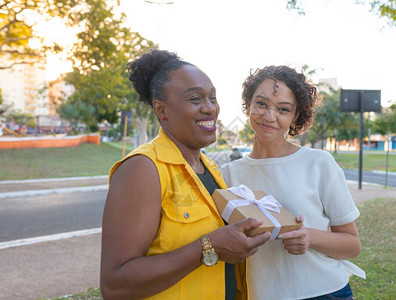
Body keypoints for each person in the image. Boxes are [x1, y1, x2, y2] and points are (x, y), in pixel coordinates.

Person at [100, 49, 270, 300]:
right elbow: (115, 285)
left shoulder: (210, 168)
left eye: (213, 98)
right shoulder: (143, 169)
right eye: (195, 99)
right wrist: (209, 247)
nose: (210, 108)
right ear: (161, 109)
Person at [220, 65, 365, 300]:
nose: (269, 116)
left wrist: (309, 235)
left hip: (323, 292)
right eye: (261, 103)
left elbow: (352, 245)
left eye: (283, 109)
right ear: (248, 105)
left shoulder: (318, 163)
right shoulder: (227, 174)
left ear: (295, 116)